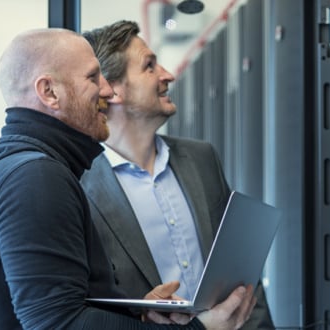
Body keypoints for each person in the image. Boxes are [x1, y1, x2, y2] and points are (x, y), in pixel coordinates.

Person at [0, 27, 255, 329]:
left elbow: (62, 306)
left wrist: (135, 316)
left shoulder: (15, 170)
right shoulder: (34, 178)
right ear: (49, 92)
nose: (108, 91)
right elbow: (60, 323)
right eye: (92, 77)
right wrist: (201, 329)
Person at [80, 20, 274, 329]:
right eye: (149, 67)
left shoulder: (201, 158)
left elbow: (242, 271)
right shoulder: (81, 185)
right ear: (112, 89)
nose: (167, 75)